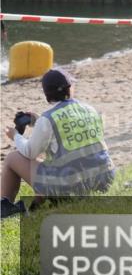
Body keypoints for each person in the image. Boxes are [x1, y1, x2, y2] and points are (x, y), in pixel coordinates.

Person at [1, 69, 115, 218]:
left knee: (12, 158)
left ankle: (4, 208)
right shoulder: (91, 109)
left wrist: (15, 136)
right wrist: (38, 121)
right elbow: (72, 132)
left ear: (47, 94)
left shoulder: (48, 119)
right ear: (70, 88)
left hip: (72, 188)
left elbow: (30, 152)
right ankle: (38, 200)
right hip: (103, 180)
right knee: (52, 162)